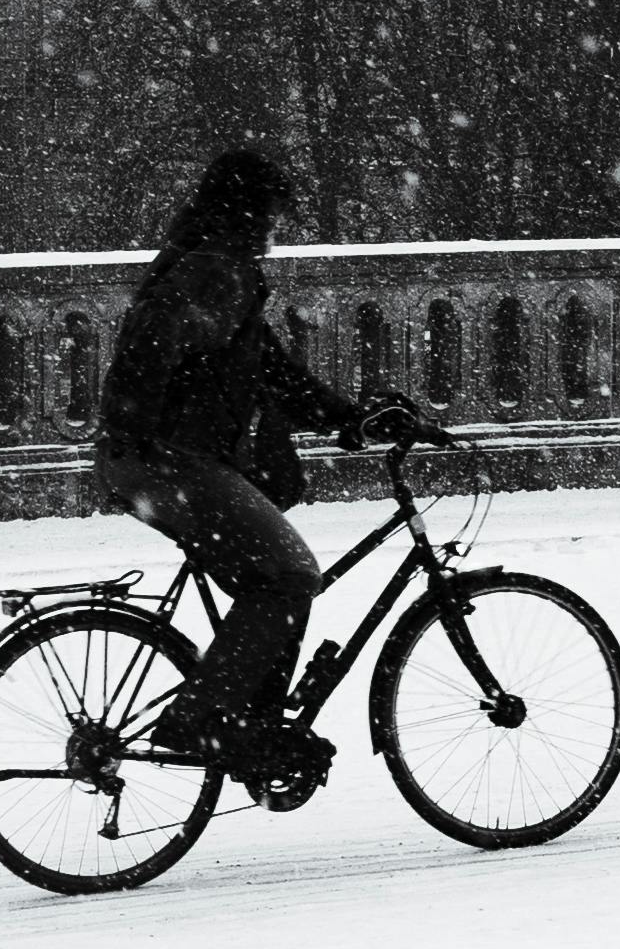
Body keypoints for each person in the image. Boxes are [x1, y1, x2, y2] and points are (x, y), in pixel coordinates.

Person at [92, 145, 412, 765]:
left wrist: (347, 417)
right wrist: (139, 435)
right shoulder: (214, 270)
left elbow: (269, 367)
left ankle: (254, 727)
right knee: (291, 575)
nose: (274, 231)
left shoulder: (212, 261)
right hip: (169, 463)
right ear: (250, 212)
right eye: (270, 215)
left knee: (273, 587)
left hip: (160, 459)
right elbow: (152, 345)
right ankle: (202, 721)